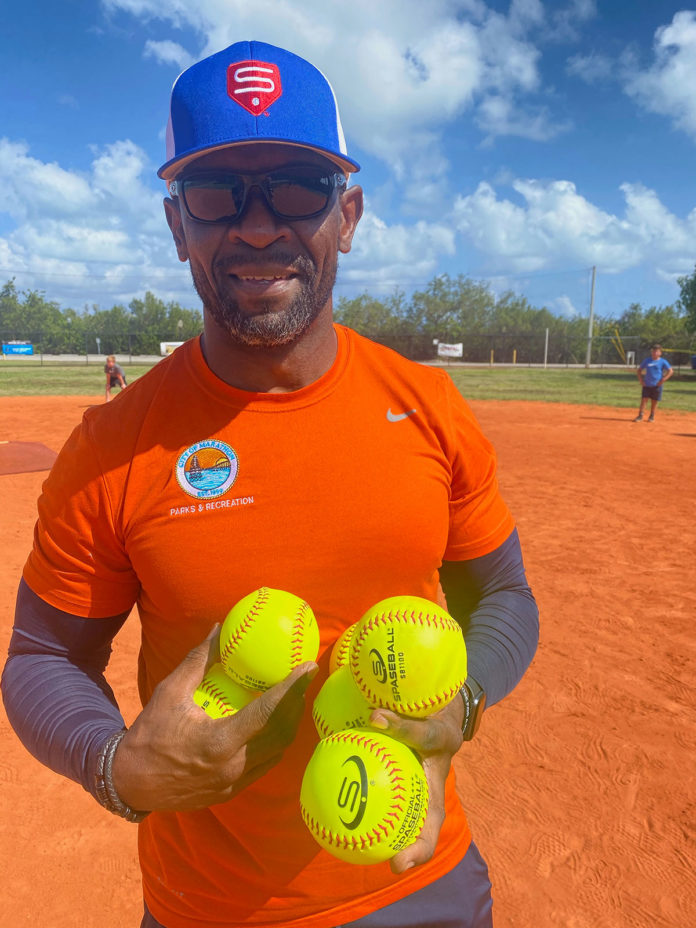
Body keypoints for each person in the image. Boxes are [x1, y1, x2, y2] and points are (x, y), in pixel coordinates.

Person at [1, 40, 539, 928]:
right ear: (179, 227)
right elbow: (45, 656)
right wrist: (116, 766)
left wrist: (465, 700)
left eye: (297, 185)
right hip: (209, 906)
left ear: (349, 214)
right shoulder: (112, 447)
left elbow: (504, 592)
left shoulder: (427, 405)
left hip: (421, 881)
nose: (258, 227)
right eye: (218, 195)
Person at [634, 343, 673, 422]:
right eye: (653, 351)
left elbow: (670, 371)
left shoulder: (663, 361)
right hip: (647, 384)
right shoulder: (647, 360)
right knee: (644, 400)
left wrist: (663, 380)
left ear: (660, 353)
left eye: (657, 352)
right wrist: (641, 381)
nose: (655, 353)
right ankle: (640, 415)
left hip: (657, 385)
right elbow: (639, 370)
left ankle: (652, 415)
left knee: (654, 401)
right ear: (651, 352)